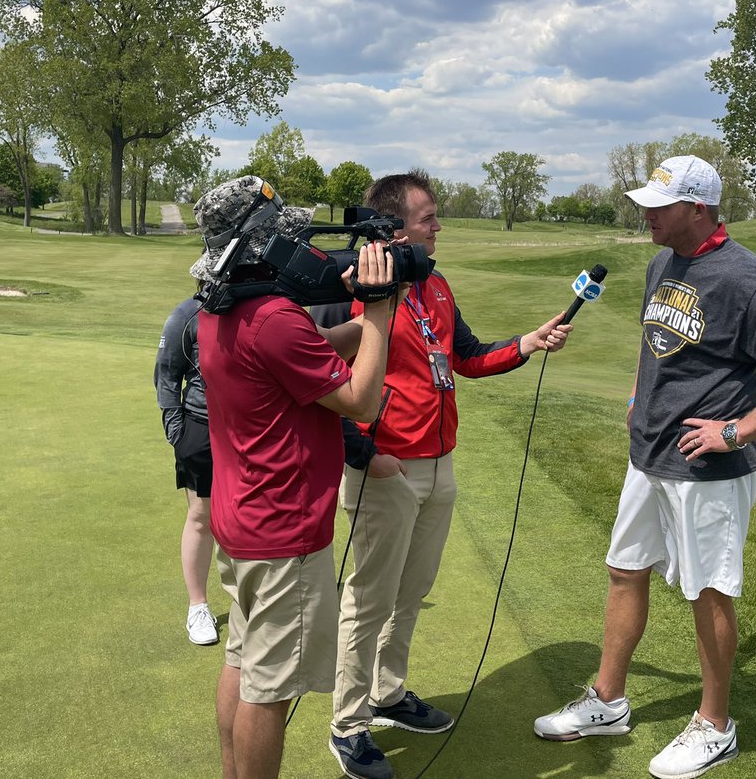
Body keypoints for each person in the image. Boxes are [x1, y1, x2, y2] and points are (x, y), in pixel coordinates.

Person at [533, 156, 756, 779]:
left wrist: (737, 430)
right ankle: (608, 701)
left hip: (707, 472)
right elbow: (656, 348)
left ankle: (716, 725)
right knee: (625, 571)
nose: (645, 213)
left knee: (709, 591)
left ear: (696, 209)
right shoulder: (662, 262)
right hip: (648, 457)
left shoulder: (744, 279)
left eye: (658, 205)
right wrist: (634, 399)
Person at [312, 170, 573, 779]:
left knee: (411, 592)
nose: (438, 227)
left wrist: (528, 342)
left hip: (438, 464)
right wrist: (362, 454)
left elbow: (465, 357)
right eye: (428, 218)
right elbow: (319, 383)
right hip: (384, 469)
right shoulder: (351, 288)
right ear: (393, 227)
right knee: (369, 600)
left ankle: (388, 693)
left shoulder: (435, 285)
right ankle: (348, 725)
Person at [191, 176, 400, 779]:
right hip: (286, 529)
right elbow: (360, 401)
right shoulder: (277, 319)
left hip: (244, 520)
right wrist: (381, 311)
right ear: (265, 249)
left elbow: (298, 353)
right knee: (271, 688)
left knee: (244, 659)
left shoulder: (224, 311)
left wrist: (360, 323)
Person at [154, 294, 218, 645]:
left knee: (250, 515)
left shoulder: (263, 305)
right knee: (201, 517)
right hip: (200, 428)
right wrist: (176, 431)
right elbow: (166, 374)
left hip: (251, 432)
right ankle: (198, 606)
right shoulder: (188, 313)